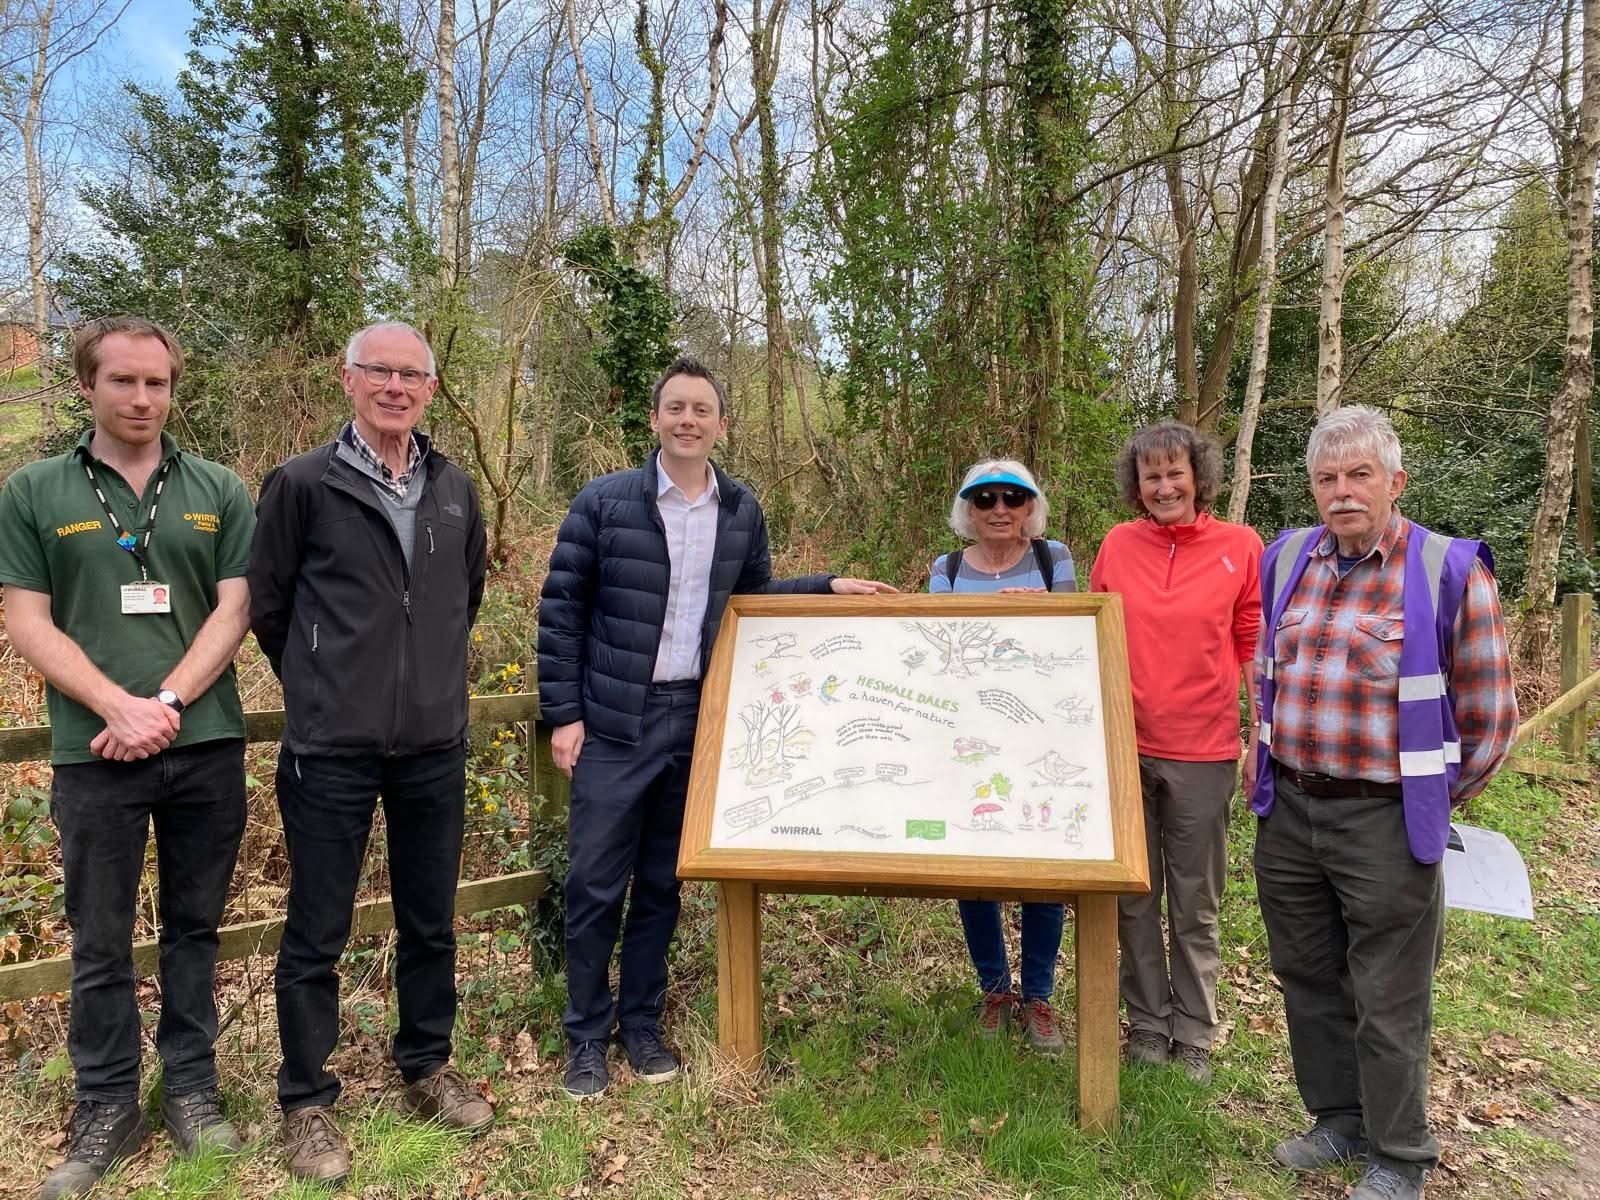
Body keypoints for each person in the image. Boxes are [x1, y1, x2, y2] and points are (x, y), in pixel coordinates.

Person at [538, 355, 897, 1099]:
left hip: (696, 724)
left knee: (661, 885)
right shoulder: (603, 503)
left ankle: (641, 1027)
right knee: (595, 886)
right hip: (614, 723)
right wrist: (564, 715)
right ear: (655, 419)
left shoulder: (740, 509)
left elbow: (752, 602)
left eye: (702, 409)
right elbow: (562, 611)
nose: (688, 420)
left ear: (722, 425)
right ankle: (586, 1038)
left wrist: (825, 586)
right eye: (676, 407)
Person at [0, 317, 254, 1199]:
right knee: (100, 940)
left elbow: (234, 609)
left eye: (157, 383)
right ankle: (106, 1105)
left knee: (195, 931)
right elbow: (26, 619)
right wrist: (116, 706)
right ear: (87, 386)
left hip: (205, 742)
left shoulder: (218, 487)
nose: (143, 399)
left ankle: (190, 1090)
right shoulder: (35, 489)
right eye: (123, 381)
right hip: (94, 750)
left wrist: (168, 703)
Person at [1249, 406, 1517, 1200]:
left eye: (1360, 475)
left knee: (1389, 996)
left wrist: (1428, 801)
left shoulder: (1447, 570)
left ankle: (1400, 1157)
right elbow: (1267, 675)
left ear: (1395, 481)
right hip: (1290, 810)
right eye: (1327, 478)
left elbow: (1491, 719)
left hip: (1386, 822)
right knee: (1307, 975)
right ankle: (1338, 1120)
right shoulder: (1285, 558)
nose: (1343, 492)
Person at [248, 321, 492, 1184]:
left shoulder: (455, 489)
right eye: (379, 371)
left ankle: (426, 1065)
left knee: (431, 918)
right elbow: (270, 606)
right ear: (348, 380)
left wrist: (426, 684)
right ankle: (306, 1100)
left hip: (432, 743)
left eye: (411, 374)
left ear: (431, 389)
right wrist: (327, 685)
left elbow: (462, 598)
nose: (395, 386)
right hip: (331, 749)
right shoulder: (302, 483)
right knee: (317, 928)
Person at [1089, 422, 1262, 1085]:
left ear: (1199, 477)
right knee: (1135, 897)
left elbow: (1251, 642)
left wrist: (1260, 733)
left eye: (1174, 473)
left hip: (1204, 751)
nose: (1163, 487)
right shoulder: (1118, 545)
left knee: (1196, 902)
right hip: (1124, 747)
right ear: (1136, 485)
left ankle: (1193, 1032)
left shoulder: (1240, 547)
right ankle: (1147, 1025)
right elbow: (1092, 627)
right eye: (1151, 476)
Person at [928, 459, 1076, 1054]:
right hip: (967, 739)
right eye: (984, 498)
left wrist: (1036, 612)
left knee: (1043, 866)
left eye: (1013, 498)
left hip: (1041, 739)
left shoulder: (1053, 560)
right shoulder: (946, 569)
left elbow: (1073, 642)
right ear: (968, 509)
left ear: (1030, 506)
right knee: (974, 866)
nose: (999, 509)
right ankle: (994, 989)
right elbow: (936, 654)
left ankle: (1038, 995)